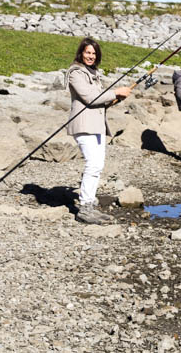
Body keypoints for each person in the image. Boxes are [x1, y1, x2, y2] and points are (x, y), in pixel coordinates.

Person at [66, 37, 131, 224]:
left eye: (94, 53)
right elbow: (90, 97)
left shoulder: (93, 73)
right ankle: (84, 209)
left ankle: (89, 206)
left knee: (97, 166)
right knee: (93, 164)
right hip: (83, 125)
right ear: (81, 53)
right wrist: (116, 92)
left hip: (97, 125)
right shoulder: (75, 73)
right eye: (87, 52)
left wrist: (117, 99)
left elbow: (101, 102)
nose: (91, 56)